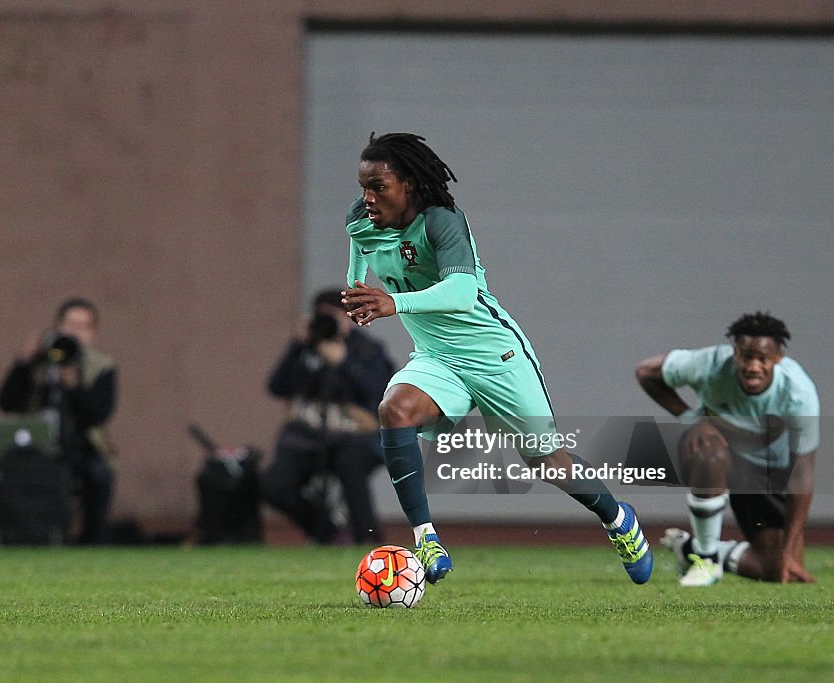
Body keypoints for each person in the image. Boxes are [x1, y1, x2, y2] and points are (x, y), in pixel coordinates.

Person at [340, 132, 653, 585]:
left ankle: (618, 519)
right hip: (437, 358)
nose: (367, 197)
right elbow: (358, 259)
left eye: (378, 187)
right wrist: (357, 293)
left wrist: (392, 302)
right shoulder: (362, 218)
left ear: (408, 184)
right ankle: (426, 538)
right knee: (395, 410)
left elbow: (464, 293)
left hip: (495, 355)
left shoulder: (443, 221)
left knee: (549, 464)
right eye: (363, 186)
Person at [636, 312, 819, 586]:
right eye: (746, 356)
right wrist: (691, 419)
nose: (753, 366)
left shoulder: (798, 394)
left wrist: (788, 550)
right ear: (735, 353)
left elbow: (801, 476)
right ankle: (706, 561)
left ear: (778, 358)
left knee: (778, 569)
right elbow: (646, 372)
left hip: (765, 471)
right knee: (707, 446)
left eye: (763, 359)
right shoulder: (709, 364)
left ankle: (689, 549)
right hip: (714, 455)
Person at [262, 288, 394, 545]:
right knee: (273, 485)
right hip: (306, 437)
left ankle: (368, 541)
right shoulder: (306, 347)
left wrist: (343, 362)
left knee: (351, 467)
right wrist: (296, 345)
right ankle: (326, 530)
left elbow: (380, 390)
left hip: (356, 438)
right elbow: (277, 387)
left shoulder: (367, 349)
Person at [0, 298, 117, 544]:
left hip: (82, 446)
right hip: (38, 445)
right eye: (70, 325)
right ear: (57, 327)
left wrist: (73, 386)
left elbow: (98, 415)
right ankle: (18, 538)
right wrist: (23, 363)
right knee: (7, 471)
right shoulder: (40, 361)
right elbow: (7, 402)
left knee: (100, 474)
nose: (75, 332)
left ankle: (92, 541)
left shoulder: (102, 366)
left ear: (93, 333)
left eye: (83, 327)